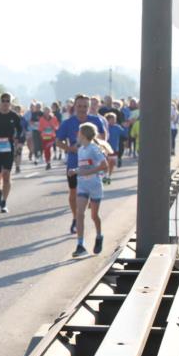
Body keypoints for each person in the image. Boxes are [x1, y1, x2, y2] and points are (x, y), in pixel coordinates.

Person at [56, 94, 109, 234]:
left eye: (85, 106)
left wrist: (95, 147)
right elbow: (58, 141)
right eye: (79, 106)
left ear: (89, 107)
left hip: (92, 165)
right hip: (74, 163)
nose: (82, 109)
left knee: (90, 192)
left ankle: (91, 219)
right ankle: (75, 218)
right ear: (75, 106)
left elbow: (103, 138)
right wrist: (70, 148)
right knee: (73, 192)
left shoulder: (95, 120)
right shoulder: (68, 123)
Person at [71, 123, 107, 257]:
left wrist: (89, 172)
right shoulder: (81, 150)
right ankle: (80, 245)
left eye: (79, 133)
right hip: (82, 185)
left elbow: (104, 165)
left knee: (94, 216)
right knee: (80, 213)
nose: (77, 136)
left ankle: (99, 236)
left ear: (84, 135)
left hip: (95, 185)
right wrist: (75, 171)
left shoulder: (94, 149)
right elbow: (83, 167)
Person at [39, 105, 60, 170]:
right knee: (46, 150)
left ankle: (50, 160)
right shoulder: (41, 119)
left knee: (48, 147)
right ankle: (48, 162)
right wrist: (44, 129)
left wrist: (53, 126)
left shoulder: (54, 118)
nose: (46, 113)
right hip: (45, 136)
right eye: (45, 111)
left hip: (52, 136)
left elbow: (57, 126)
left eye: (47, 111)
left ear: (50, 111)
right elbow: (40, 128)